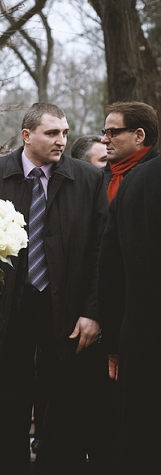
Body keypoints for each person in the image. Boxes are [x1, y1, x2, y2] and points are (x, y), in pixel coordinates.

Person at [0, 102, 110, 475]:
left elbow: (101, 253)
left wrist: (93, 312)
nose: (61, 140)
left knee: (61, 415)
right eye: (52, 133)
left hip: (66, 313)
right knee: (10, 412)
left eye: (64, 132)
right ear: (26, 136)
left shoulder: (89, 180)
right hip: (7, 312)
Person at [98, 156, 161, 473]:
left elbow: (109, 266)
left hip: (140, 337)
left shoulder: (135, 181)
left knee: (141, 443)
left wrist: (112, 341)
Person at [100, 101, 159, 200]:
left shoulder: (156, 177)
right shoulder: (97, 178)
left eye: (113, 132)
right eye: (104, 132)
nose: (103, 140)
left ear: (139, 136)